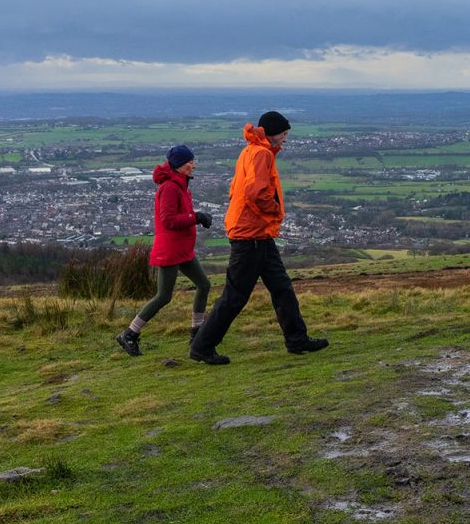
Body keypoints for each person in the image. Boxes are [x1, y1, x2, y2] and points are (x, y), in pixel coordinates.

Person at [189, 111, 328, 365]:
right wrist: (276, 210)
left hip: (258, 235)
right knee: (235, 296)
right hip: (250, 236)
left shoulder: (251, 151)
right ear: (274, 132)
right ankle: (202, 347)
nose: (286, 139)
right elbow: (256, 193)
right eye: (284, 134)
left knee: (282, 288)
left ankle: (297, 339)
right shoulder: (261, 153)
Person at [116, 145, 213, 357]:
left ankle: (196, 333)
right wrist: (195, 217)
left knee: (204, 285)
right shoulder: (169, 188)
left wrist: (196, 217)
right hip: (169, 251)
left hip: (182, 249)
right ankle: (130, 334)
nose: (194, 165)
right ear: (179, 165)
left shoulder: (182, 185)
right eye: (190, 162)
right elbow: (168, 220)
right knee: (163, 296)